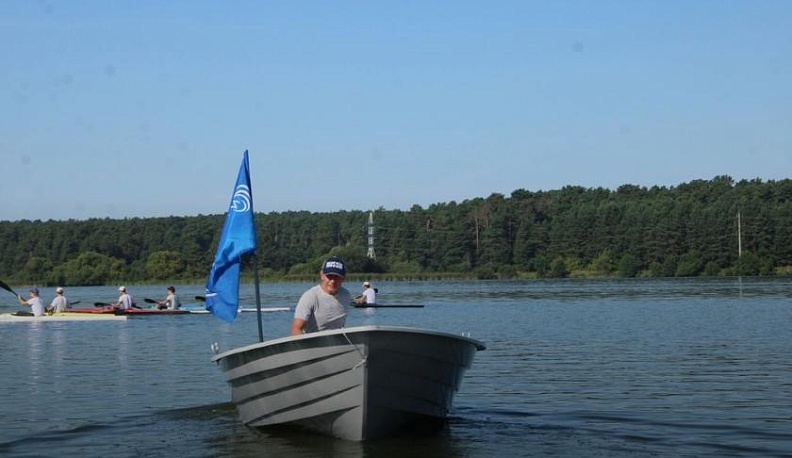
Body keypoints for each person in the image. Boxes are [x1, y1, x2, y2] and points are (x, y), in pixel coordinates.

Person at [291, 256, 352, 335]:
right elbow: (296, 329)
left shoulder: (346, 295)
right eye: (329, 276)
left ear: (344, 278)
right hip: (313, 342)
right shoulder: (310, 296)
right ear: (322, 275)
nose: (333, 281)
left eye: (337, 277)